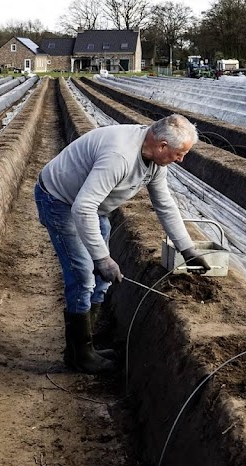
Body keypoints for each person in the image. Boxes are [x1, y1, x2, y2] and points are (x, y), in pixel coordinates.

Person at [34, 113, 209, 374]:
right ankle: (79, 355)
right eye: (179, 153)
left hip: (92, 206)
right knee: (83, 274)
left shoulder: (155, 162)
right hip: (60, 201)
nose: (181, 160)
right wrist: (101, 258)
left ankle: (87, 342)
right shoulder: (120, 157)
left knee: (101, 276)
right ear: (162, 146)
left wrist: (187, 249)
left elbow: (165, 205)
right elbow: (83, 208)